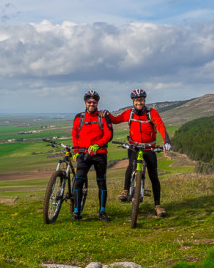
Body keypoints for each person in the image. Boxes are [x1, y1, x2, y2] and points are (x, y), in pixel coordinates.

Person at [106, 89, 171, 217]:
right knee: (131, 165)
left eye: (141, 100)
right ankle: (125, 190)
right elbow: (115, 119)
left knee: (154, 176)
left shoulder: (151, 113)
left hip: (149, 148)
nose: (139, 103)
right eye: (136, 100)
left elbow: (160, 126)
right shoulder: (129, 113)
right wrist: (106, 114)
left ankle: (157, 205)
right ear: (133, 102)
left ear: (144, 101)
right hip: (134, 146)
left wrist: (166, 140)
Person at [71, 90, 113, 221]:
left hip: (99, 154)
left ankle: (102, 211)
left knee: (101, 182)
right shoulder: (79, 117)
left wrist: (98, 144)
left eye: (94, 102)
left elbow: (109, 135)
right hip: (83, 154)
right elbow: (75, 133)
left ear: (97, 103)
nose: (91, 104)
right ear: (85, 103)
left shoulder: (103, 116)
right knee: (78, 181)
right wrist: (77, 150)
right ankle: (76, 211)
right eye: (89, 102)